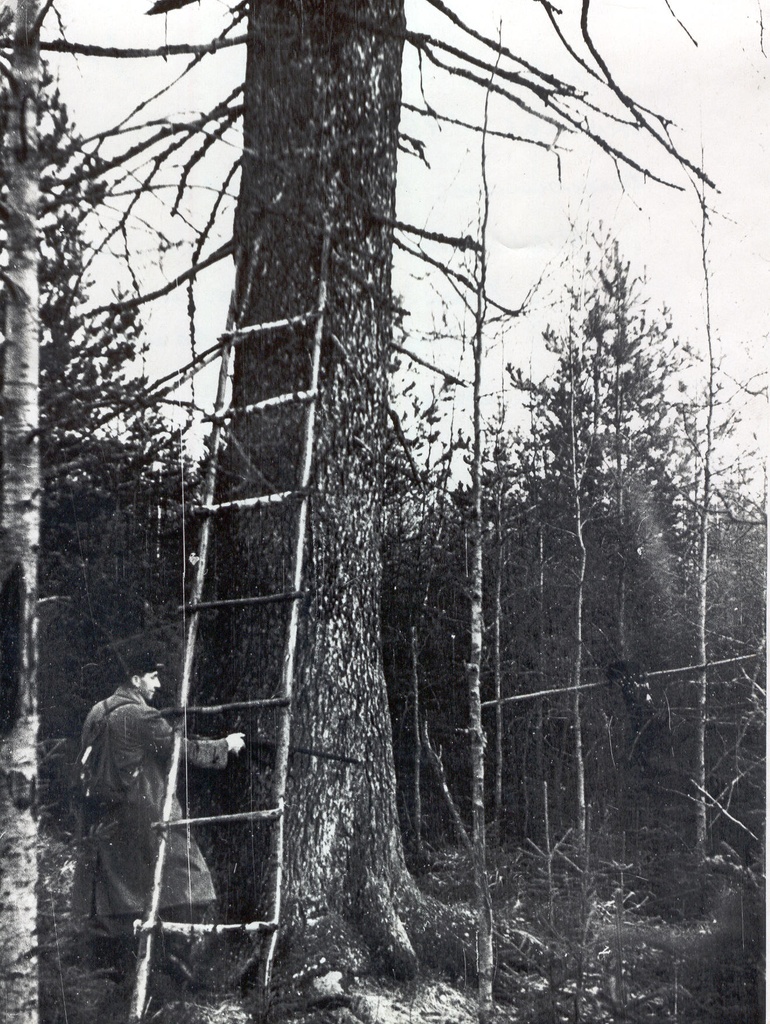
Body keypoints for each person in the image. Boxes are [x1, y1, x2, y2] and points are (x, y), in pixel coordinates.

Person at [72, 646, 245, 983]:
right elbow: (184, 748)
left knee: (121, 897)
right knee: (191, 881)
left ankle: (130, 973)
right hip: (148, 818)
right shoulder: (139, 716)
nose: (159, 685)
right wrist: (225, 746)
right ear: (136, 680)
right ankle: (170, 964)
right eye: (152, 677)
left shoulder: (97, 711)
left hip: (108, 821)